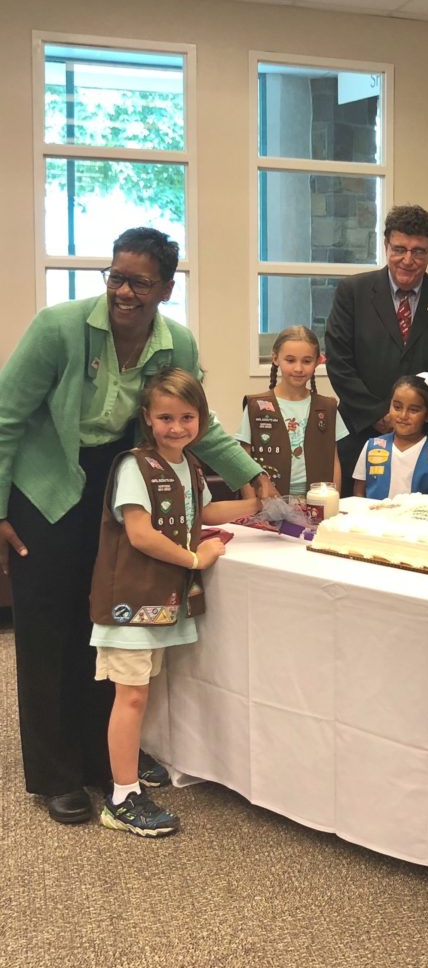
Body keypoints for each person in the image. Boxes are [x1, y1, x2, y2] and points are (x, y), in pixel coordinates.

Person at [0, 227, 270, 825]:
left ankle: (104, 759)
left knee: (107, 620)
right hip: (45, 484)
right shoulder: (59, 327)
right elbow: (5, 419)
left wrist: (257, 481)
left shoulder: (176, 343)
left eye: (139, 281)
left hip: (121, 480)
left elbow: (206, 425)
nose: (124, 290)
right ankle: (55, 775)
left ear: (166, 287)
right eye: (116, 276)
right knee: (48, 628)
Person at [91, 370, 262, 837]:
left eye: (187, 417)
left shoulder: (188, 464)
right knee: (131, 696)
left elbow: (202, 512)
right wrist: (195, 556)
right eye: (165, 417)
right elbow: (140, 532)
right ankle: (122, 797)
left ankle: (132, 769)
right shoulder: (134, 466)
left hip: (160, 601)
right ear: (147, 418)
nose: (176, 427)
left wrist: (257, 506)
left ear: (201, 421)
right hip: (129, 601)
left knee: (143, 691)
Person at [325, 204, 428, 495]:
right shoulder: (353, 292)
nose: (408, 259)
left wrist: (418, 417)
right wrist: (382, 414)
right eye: (399, 249)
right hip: (362, 435)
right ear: (385, 245)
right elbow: (339, 362)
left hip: (426, 441)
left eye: (418, 251)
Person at [237, 326, 346, 495]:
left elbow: (334, 460)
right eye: (290, 360)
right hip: (268, 501)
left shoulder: (328, 407)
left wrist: (333, 498)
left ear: (318, 361)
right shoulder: (256, 406)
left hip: (316, 499)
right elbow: (244, 460)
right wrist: (252, 504)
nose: (298, 368)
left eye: (307, 361)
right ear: (275, 358)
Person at [353, 373, 428, 499]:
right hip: (378, 517)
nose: (403, 415)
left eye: (413, 410)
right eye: (397, 407)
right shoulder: (372, 447)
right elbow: (359, 493)